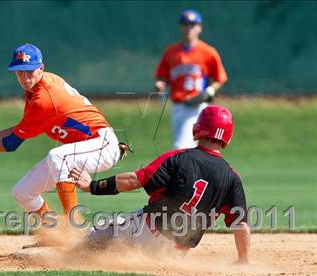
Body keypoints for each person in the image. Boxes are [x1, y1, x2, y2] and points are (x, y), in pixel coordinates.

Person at [0, 43, 128, 227]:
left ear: (41, 68)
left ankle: (76, 229)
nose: (24, 77)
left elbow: (11, 144)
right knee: (23, 192)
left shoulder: (44, 98)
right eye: (19, 71)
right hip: (83, 149)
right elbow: (20, 129)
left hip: (101, 144)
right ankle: (58, 233)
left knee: (58, 156)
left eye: (29, 70)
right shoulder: (35, 88)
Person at [70, 105, 250, 263]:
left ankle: (66, 261)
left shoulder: (179, 158)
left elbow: (133, 180)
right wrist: (244, 261)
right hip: (177, 253)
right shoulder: (232, 177)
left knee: (98, 236)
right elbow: (240, 224)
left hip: (147, 232)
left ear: (198, 128)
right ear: (228, 136)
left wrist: (92, 186)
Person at [155, 9, 228, 149]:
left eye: (192, 24)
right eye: (185, 24)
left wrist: (211, 90)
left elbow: (221, 78)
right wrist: (161, 84)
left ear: (199, 27)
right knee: (191, 150)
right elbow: (162, 77)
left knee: (180, 147)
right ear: (180, 27)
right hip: (177, 107)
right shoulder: (171, 52)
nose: (189, 27)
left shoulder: (208, 52)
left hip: (197, 107)